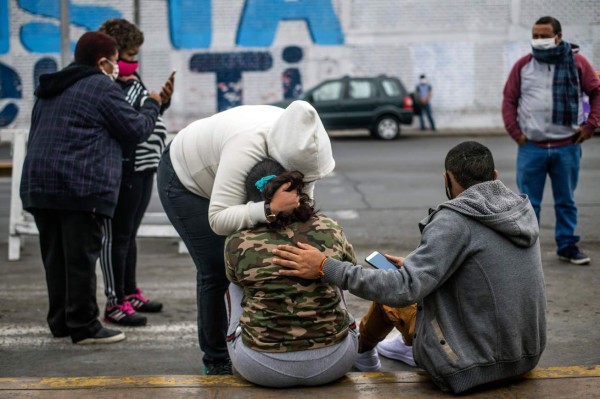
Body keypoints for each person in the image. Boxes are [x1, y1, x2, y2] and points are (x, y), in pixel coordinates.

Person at [272, 141, 547, 394]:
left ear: (447, 179)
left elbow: (402, 290)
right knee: (404, 279)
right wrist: (418, 267)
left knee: (390, 291)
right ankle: (401, 345)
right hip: (525, 356)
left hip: (469, 367)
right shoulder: (518, 210)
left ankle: (369, 354)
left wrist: (325, 267)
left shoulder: (455, 220)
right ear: (494, 176)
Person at [156, 100, 335, 375]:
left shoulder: (304, 141)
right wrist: (267, 210)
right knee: (217, 267)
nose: (307, 184)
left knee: (284, 247)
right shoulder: (246, 147)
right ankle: (216, 359)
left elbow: (303, 209)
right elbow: (218, 219)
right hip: (186, 179)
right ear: (285, 162)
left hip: (235, 168)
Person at [20, 31, 161, 344]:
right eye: (114, 61)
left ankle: (61, 321)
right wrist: (152, 104)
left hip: (39, 184)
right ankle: (84, 326)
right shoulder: (100, 85)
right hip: (80, 184)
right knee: (81, 258)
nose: (116, 68)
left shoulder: (50, 86)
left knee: (56, 259)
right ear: (102, 62)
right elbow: (135, 129)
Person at [224, 159, 357, 387]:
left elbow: (237, 280)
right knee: (333, 272)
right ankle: (369, 360)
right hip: (336, 360)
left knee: (233, 285)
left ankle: (224, 355)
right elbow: (349, 271)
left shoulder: (237, 241)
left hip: (260, 366)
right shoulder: (330, 228)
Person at [502, 16, 600, 265]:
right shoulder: (524, 65)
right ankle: (527, 250)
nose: (539, 40)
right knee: (528, 204)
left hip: (566, 146)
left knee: (566, 201)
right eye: (535, 35)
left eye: (544, 35)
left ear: (558, 36)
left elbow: (596, 92)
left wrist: (590, 126)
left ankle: (567, 246)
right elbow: (509, 100)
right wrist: (516, 133)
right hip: (531, 147)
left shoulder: (578, 64)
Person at [97, 18, 174, 327]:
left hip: (144, 165)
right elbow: (130, 121)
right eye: (128, 55)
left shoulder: (131, 79)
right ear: (113, 54)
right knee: (118, 236)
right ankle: (115, 301)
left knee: (129, 234)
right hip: (126, 167)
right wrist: (153, 105)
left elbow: (144, 112)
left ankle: (129, 291)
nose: (133, 61)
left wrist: (160, 103)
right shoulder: (111, 84)